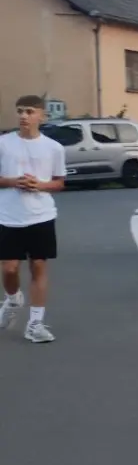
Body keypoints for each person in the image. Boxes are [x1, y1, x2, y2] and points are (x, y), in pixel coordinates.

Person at [0, 94, 67, 343]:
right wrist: (11, 181)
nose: (23, 116)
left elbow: (60, 183)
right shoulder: (4, 143)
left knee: (38, 266)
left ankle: (35, 323)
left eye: (29, 111)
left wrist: (39, 185)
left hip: (41, 215)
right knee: (9, 268)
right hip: (8, 216)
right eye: (20, 111)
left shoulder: (53, 148)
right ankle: (13, 298)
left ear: (41, 115)